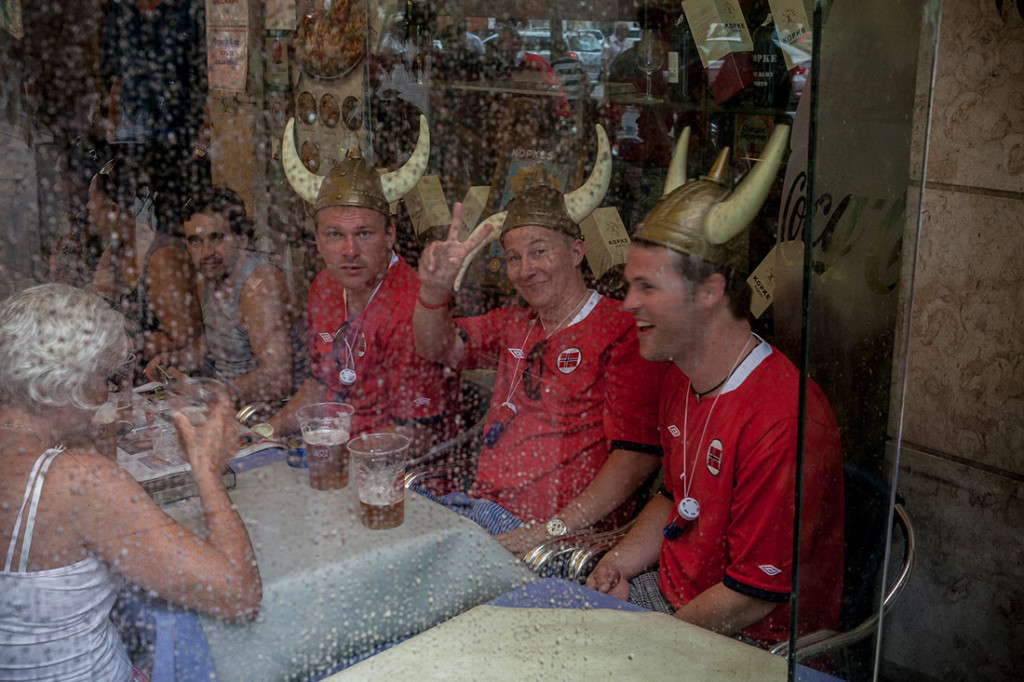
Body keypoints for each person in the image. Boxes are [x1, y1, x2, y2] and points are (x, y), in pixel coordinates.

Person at [585, 125, 844, 647]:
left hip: (752, 642)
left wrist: (646, 644)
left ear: (709, 291)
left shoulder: (783, 421)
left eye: (647, 287)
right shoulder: (680, 375)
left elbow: (751, 597)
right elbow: (675, 497)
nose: (628, 303)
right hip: (671, 602)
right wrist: (618, 564)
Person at [413, 125, 667, 556]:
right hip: (482, 511)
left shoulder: (621, 329)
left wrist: (545, 533)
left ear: (576, 252)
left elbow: (637, 457)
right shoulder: (514, 321)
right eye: (513, 257)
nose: (525, 269)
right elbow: (434, 347)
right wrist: (434, 292)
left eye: (539, 251)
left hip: (552, 537)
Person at [0, 283, 261, 679]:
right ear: (64, 381)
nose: (106, 393)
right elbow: (238, 595)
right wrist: (207, 467)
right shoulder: (75, 479)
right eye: (105, 377)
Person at [266, 116, 458, 452]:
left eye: (364, 233)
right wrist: (267, 430)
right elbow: (320, 383)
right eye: (335, 235)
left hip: (385, 465)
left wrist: (337, 455)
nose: (350, 251)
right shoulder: (324, 286)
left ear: (390, 235)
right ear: (318, 240)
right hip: (330, 448)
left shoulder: (412, 306)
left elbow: (417, 435)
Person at [145, 186, 308, 411]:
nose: (206, 252)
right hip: (229, 404)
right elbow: (220, 337)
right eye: (195, 241)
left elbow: (277, 381)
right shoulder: (209, 277)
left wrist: (210, 394)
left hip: (272, 412)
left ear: (242, 239)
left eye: (216, 238)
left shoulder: (258, 287)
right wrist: (177, 359)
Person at [88, 154, 202, 366]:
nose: (88, 209)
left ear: (113, 210)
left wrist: (125, 346)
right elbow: (96, 311)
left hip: (167, 372)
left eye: (92, 202)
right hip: (131, 368)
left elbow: (182, 337)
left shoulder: (162, 258)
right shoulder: (114, 251)